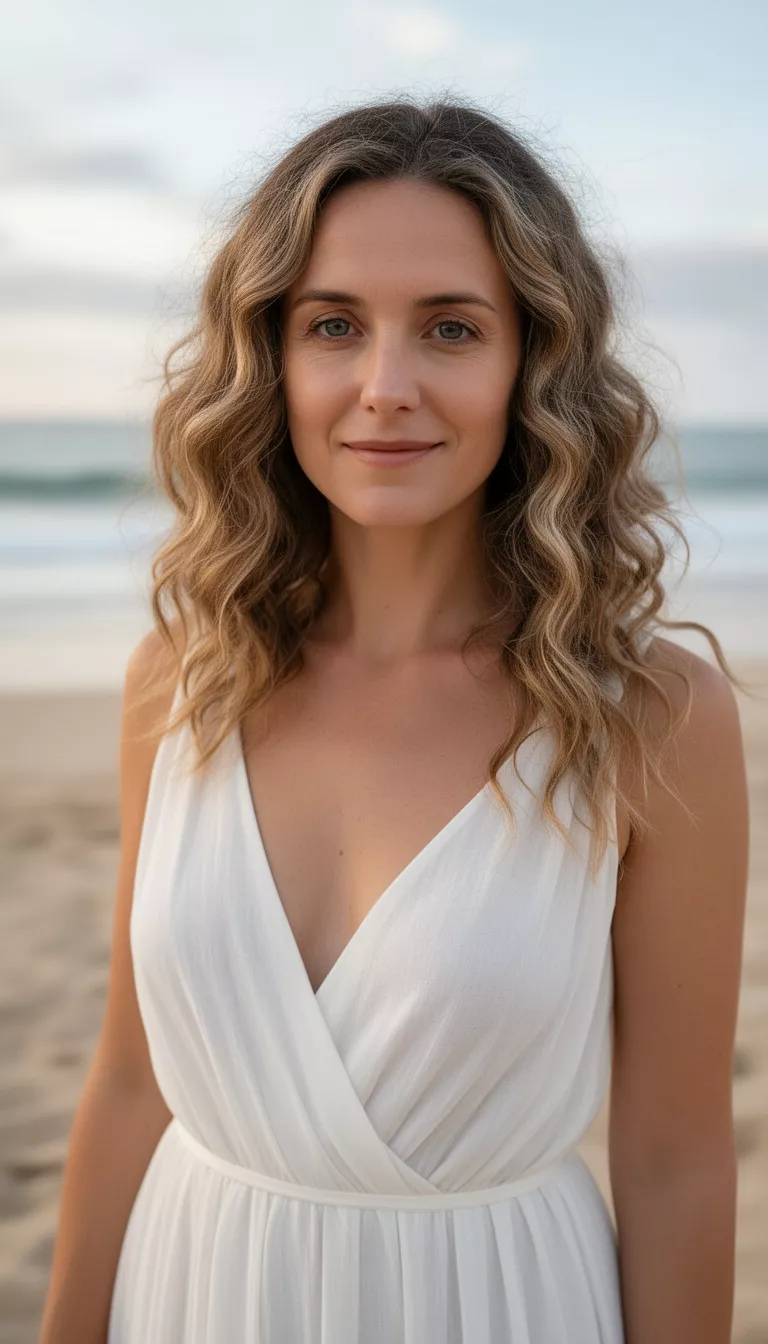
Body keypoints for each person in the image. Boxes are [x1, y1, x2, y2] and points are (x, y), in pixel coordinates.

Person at [39, 96, 750, 1344]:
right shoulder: (183, 678)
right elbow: (132, 1081)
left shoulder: (650, 717)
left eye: (451, 329)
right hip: (192, 1287)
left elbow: (679, 1162)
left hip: (502, 1304)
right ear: (274, 358)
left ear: (533, 360)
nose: (385, 387)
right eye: (333, 325)